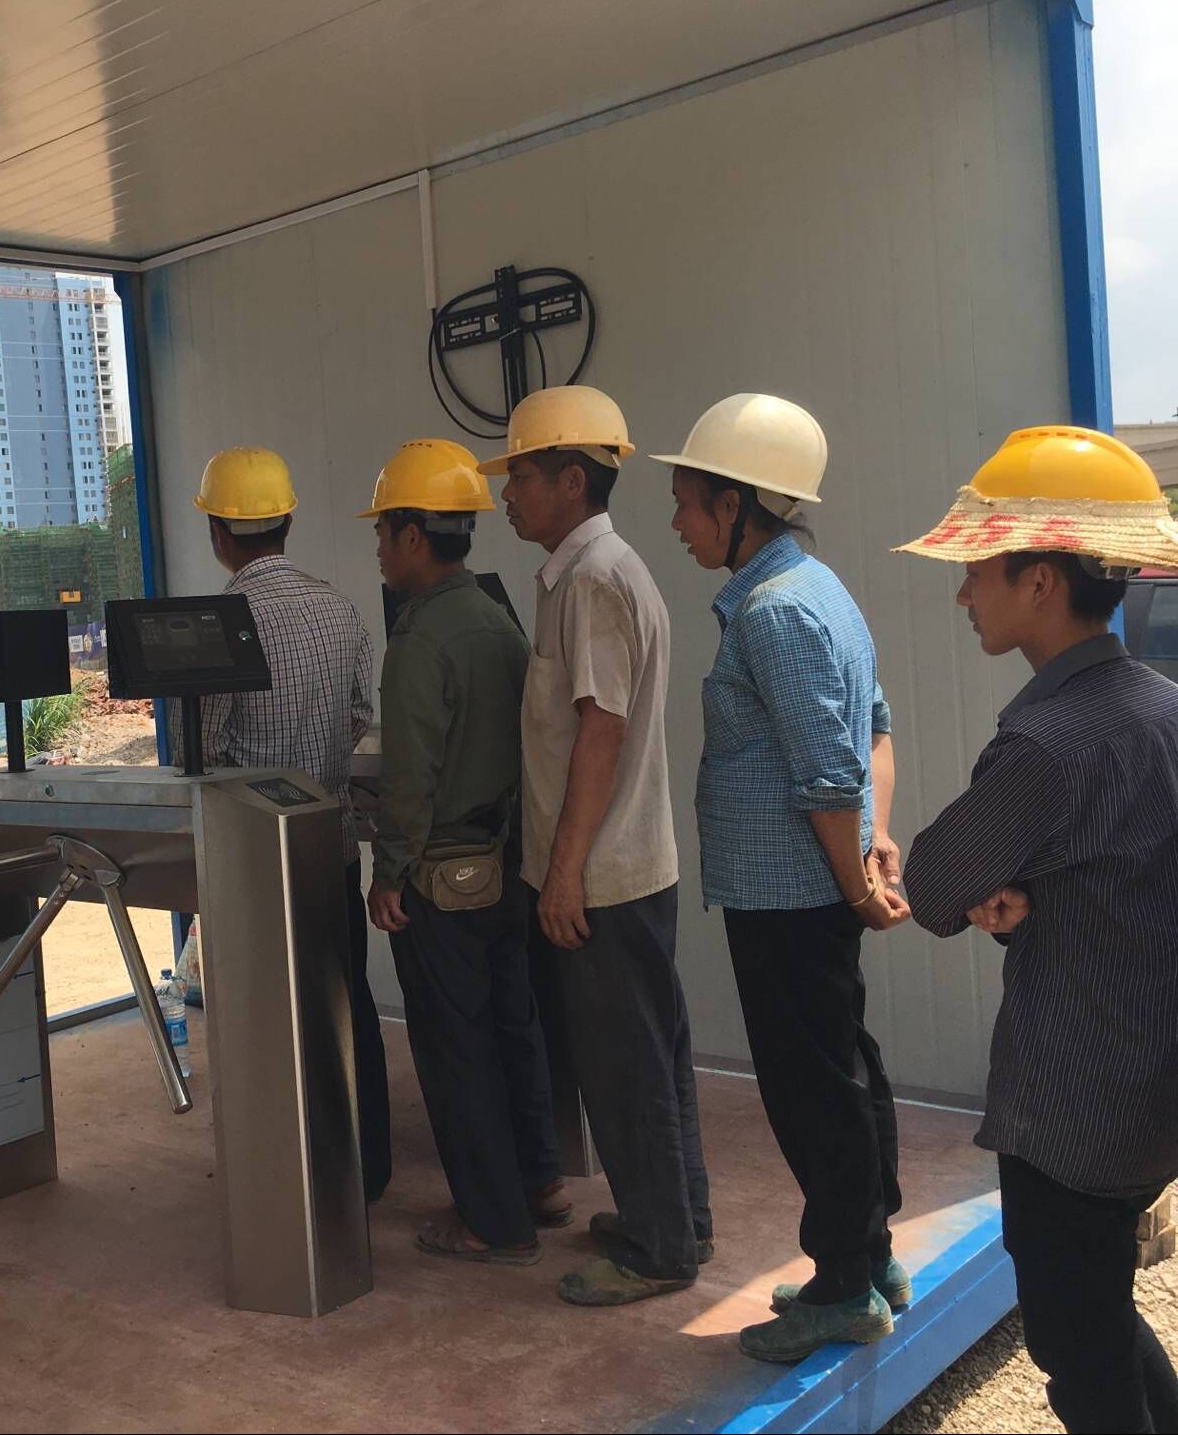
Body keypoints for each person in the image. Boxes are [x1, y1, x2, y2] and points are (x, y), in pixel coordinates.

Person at [895, 427, 1178, 1435]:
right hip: (1147, 1087)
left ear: (1042, 580)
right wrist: (1031, 899)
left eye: (979, 569)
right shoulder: (1163, 709)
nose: (964, 593)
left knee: (1075, 1344)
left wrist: (1000, 889)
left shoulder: (1046, 745)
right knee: (1099, 1312)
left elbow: (934, 884)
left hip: (1071, 1106)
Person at [655, 393, 911, 1362]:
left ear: (738, 504)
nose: (678, 522)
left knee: (813, 1088)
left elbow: (829, 773)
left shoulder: (775, 611)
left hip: (791, 898)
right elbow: (874, 730)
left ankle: (844, 1283)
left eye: (688, 502)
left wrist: (858, 881)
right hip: (812, 890)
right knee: (843, 1066)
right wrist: (873, 845)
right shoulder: (817, 589)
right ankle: (869, 1259)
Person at [481, 386, 711, 1306]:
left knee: (625, 1069)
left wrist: (564, 872)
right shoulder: (596, 572)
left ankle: (657, 1247)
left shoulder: (590, 581)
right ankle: (678, 1220)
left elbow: (600, 730)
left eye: (522, 477)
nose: (507, 495)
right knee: (652, 1056)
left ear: (572, 481)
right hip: (624, 865)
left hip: (605, 875)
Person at [362, 437, 569, 1263]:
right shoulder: (496, 621)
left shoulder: (420, 641)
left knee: (457, 1049)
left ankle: (490, 1220)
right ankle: (541, 1181)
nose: (379, 549)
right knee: (513, 1025)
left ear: (415, 535)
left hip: (438, 879)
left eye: (384, 532)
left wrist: (388, 874)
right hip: (505, 862)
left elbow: (410, 777)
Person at [178, 446, 389, 1201]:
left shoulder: (222, 622)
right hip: (330, 846)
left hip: (255, 862)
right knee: (346, 1001)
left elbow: (205, 750)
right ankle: (365, 1167)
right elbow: (360, 716)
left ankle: (288, 1179)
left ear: (218, 534)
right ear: (288, 522)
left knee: (267, 1020)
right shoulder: (341, 609)